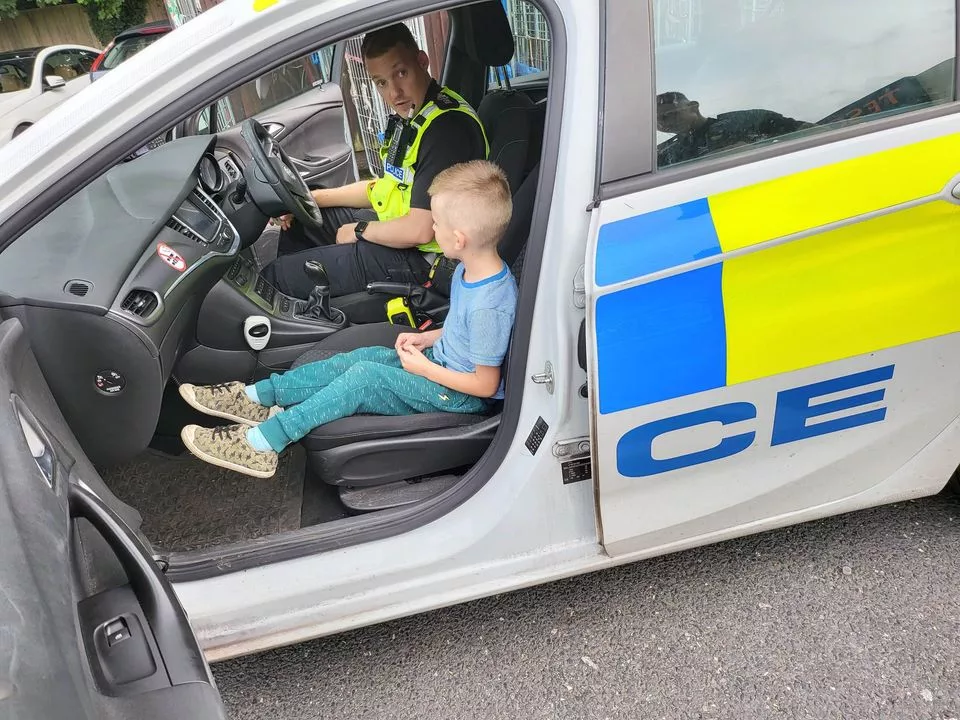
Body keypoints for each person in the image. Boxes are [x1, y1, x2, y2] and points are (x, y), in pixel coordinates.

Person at [178, 160, 517, 478]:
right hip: (439, 363)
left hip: (458, 395)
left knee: (365, 378)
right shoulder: (468, 272)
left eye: (437, 224)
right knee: (358, 359)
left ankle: (263, 444)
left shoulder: (490, 305)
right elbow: (460, 329)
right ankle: (259, 397)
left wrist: (425, 368)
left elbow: (485, 385)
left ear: (458, 239)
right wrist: (427, 338)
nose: (432, 227)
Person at [261, 23, 489, 305]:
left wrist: (359, 231)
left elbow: (420, 230)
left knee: (278, 276)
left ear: (422, 61)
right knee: (306, 222)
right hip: (400, 232)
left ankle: (296, 312)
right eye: (381, 82)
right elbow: (384, 189)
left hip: (425, 259)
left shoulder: (445, 131)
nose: (394, 93)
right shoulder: (417, 115)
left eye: (401, 73)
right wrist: (312, 198)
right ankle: (309, 311)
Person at [656, 91, 812, 166]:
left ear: (693, 107)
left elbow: (807, 131)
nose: (663, 124)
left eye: (669, 115)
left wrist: (755, 150)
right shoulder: (666, 154)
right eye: (656, 121)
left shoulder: (746, 122)